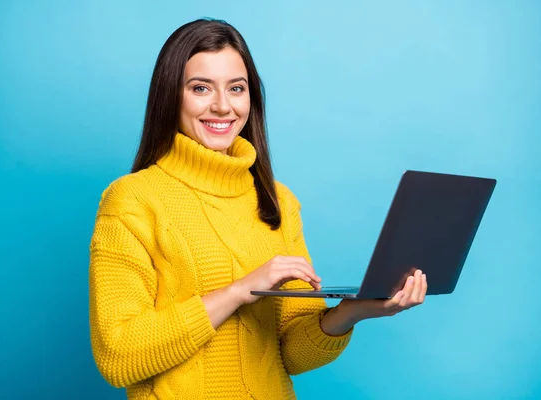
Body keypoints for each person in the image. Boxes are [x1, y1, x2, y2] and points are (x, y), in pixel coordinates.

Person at [88, 18, 427, 400]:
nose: (222, 106)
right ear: (170, 96)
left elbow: (290, 353)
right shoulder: (131, 200)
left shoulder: (278, 201)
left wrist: (353, 311)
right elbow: (118, 356)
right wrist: (239, 291)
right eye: (201, 88)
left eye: (237, 88)